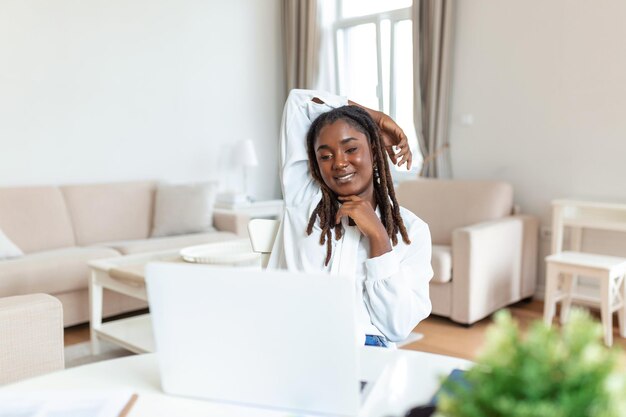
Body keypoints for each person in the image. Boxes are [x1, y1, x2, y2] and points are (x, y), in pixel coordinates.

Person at [268, 89, 433, 348]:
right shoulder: (303, 200)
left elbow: (398, 327)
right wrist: (377, 119)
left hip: (364, 349)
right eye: (325, 156)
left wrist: (378, 237)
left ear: (375, 154)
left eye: (351, 148)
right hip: (296, 342)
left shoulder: (412, 231)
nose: (339, 163)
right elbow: (299, 102)